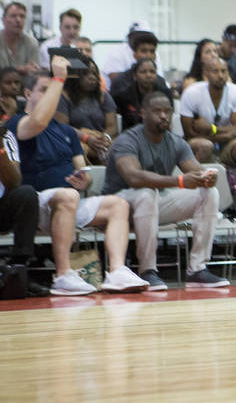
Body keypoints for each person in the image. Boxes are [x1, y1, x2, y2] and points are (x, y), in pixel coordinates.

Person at [7, 61, 148, 295]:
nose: (50, 94)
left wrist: (85, 180)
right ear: (28, 93)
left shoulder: (66, 131)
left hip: (68, 202)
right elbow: (37, 122)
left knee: (118, 205)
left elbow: (82, 169)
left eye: (53, 90)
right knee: (67, 195)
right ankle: (63, 275)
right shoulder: (17, 123)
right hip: (35, 204)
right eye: (44, 89)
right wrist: (59, 78)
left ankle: (117, 271)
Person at [104, 92, 229, 289]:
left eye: (168, 111)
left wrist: (207, 178)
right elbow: (134, 177)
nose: (164, 116)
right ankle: (148, 270)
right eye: (157, 111)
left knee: (209, 193)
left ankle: (197, 269)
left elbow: (196, 171)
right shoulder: (127, 140)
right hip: (118, 206)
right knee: (146, 193)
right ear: (143, 113)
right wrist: (180, 181)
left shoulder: (176, 142)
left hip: (153, 205)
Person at [0, 126, 48, 295]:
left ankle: (19, 269)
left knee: (26, 194)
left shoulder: (6, 136)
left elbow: (14, 181)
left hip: (2, 207)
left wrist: (0, 150)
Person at [180, 58, 236, 164]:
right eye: (215, 71)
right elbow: (189, 134)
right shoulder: (191, 93)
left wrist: (211, 128)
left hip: (227, 144)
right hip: (200, 142)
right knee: (205, 145)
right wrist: (224, 135)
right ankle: (200, 179)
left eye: (223, 71)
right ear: (205, 73)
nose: (220, 76)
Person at [55, 59, 117, 164]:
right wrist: (87, 139)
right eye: (86, 73)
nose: (92, 77)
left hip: (101, 140)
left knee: (120, 149)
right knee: (79, 149)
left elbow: (112, 126)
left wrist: (103, 140)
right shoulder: (63, 97)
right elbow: (62, 127)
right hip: (76, 140)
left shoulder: (104, 96)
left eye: (94, 73)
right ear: (75, 75)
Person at [111, 58, 174, 131]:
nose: (148, 75)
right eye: (143, 72)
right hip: (131, 135)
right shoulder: (123, 95)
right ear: (135, 76)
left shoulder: (165, 93)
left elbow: (169, 121)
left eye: (152, 72)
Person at [0, 2, 40, 75]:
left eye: (22, 16)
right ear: (3, 20)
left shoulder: (31, 42)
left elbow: (35, 71)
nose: (18, 20)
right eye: (13, 16)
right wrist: (19, 70)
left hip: (25, 85)